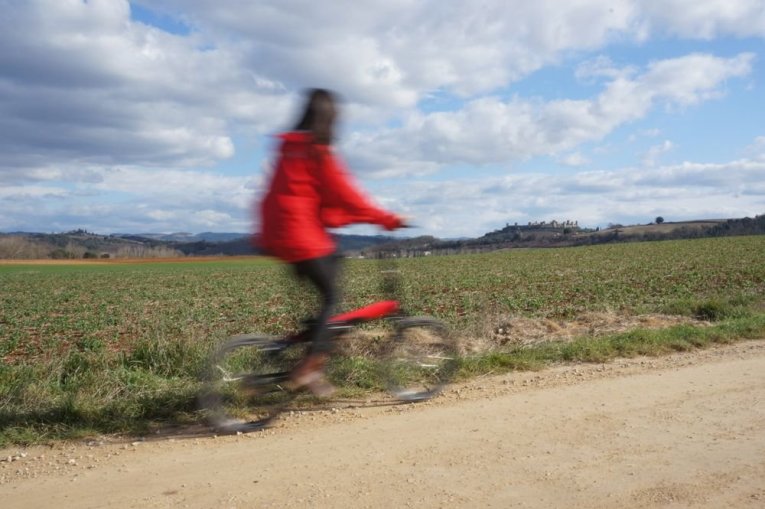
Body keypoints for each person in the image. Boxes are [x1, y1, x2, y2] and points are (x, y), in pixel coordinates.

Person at [257, 88, 404, 396]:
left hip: (277, 235)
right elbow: (345, 194)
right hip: (300, 236)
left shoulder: (288, 150)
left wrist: (342, 219)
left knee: (331, 271)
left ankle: (309, 353)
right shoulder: (316, 151)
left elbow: (314, 200)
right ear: (329, 119)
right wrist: (386, 218)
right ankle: (309, 368)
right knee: (333, 296)